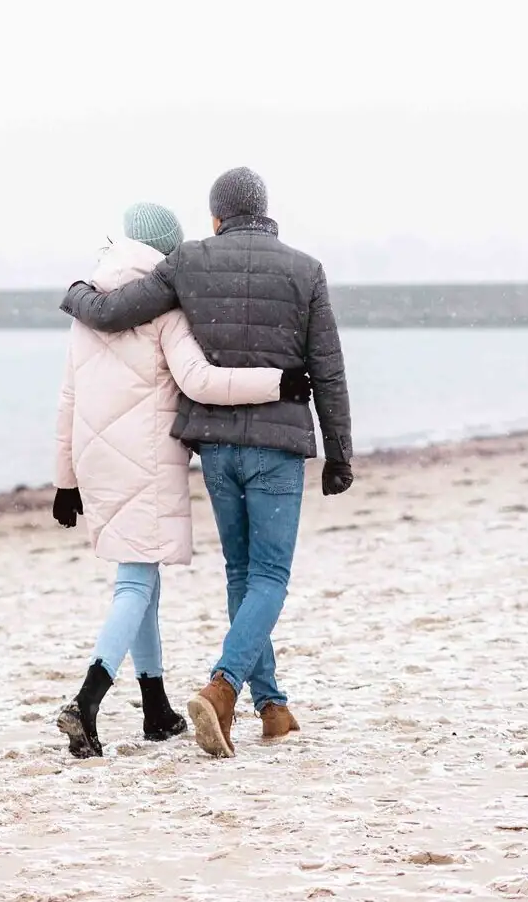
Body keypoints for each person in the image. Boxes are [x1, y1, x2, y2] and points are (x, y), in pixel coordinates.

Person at [59, 168, 353, 759]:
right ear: (266, 210)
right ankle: (222, 688)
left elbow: (115, 312)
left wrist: (75, 295)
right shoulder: (306, 270)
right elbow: (329, 368)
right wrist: (339, 452)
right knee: (269, 577)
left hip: (218, 445)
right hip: (278, 444)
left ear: (216, 218)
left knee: (243, 576)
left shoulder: (190, 262)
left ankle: (271, 706)